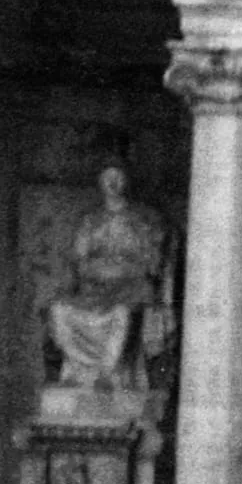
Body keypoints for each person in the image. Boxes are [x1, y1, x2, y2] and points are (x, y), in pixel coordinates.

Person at [43, 162, 172, 391]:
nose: (112, 183)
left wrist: (120, 268)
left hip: (130, 289)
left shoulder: (142, 220)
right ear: (99, 182)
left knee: (121, 313)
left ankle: (107, 373)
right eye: (107, 177)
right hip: (93, 290)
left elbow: (151, 264)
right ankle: (80, 372)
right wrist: (99, 270)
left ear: (127, 181)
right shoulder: (90, 221)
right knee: (59, 310)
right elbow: (79, 260)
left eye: (117, 177)